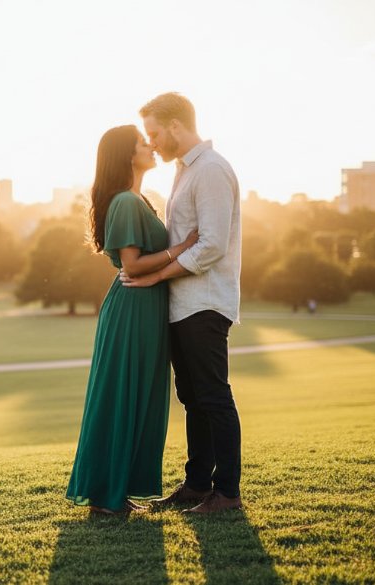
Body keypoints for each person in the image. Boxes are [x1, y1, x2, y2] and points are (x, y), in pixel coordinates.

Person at [65, 125, 199, 515]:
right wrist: (183, 248)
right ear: (128, 155)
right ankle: (107, 496)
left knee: (136, 396)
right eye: (144, 143)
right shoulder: (125, 201)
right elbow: (133, 265)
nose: (152, 146)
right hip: (132, 308)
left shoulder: (138, 199)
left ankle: (115, 492)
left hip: (146, 307)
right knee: (123, 395)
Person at [122, 92, 243, 514]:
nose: (151, 142)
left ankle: (226, 493)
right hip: (183, 304)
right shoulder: (184, 171)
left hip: (205, 303)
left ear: (175, 126)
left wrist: (155, 274)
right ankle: (196, 485)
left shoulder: (210, 170)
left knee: (213, 395)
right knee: (192, 397)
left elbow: (210, 246)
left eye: (154, 133)